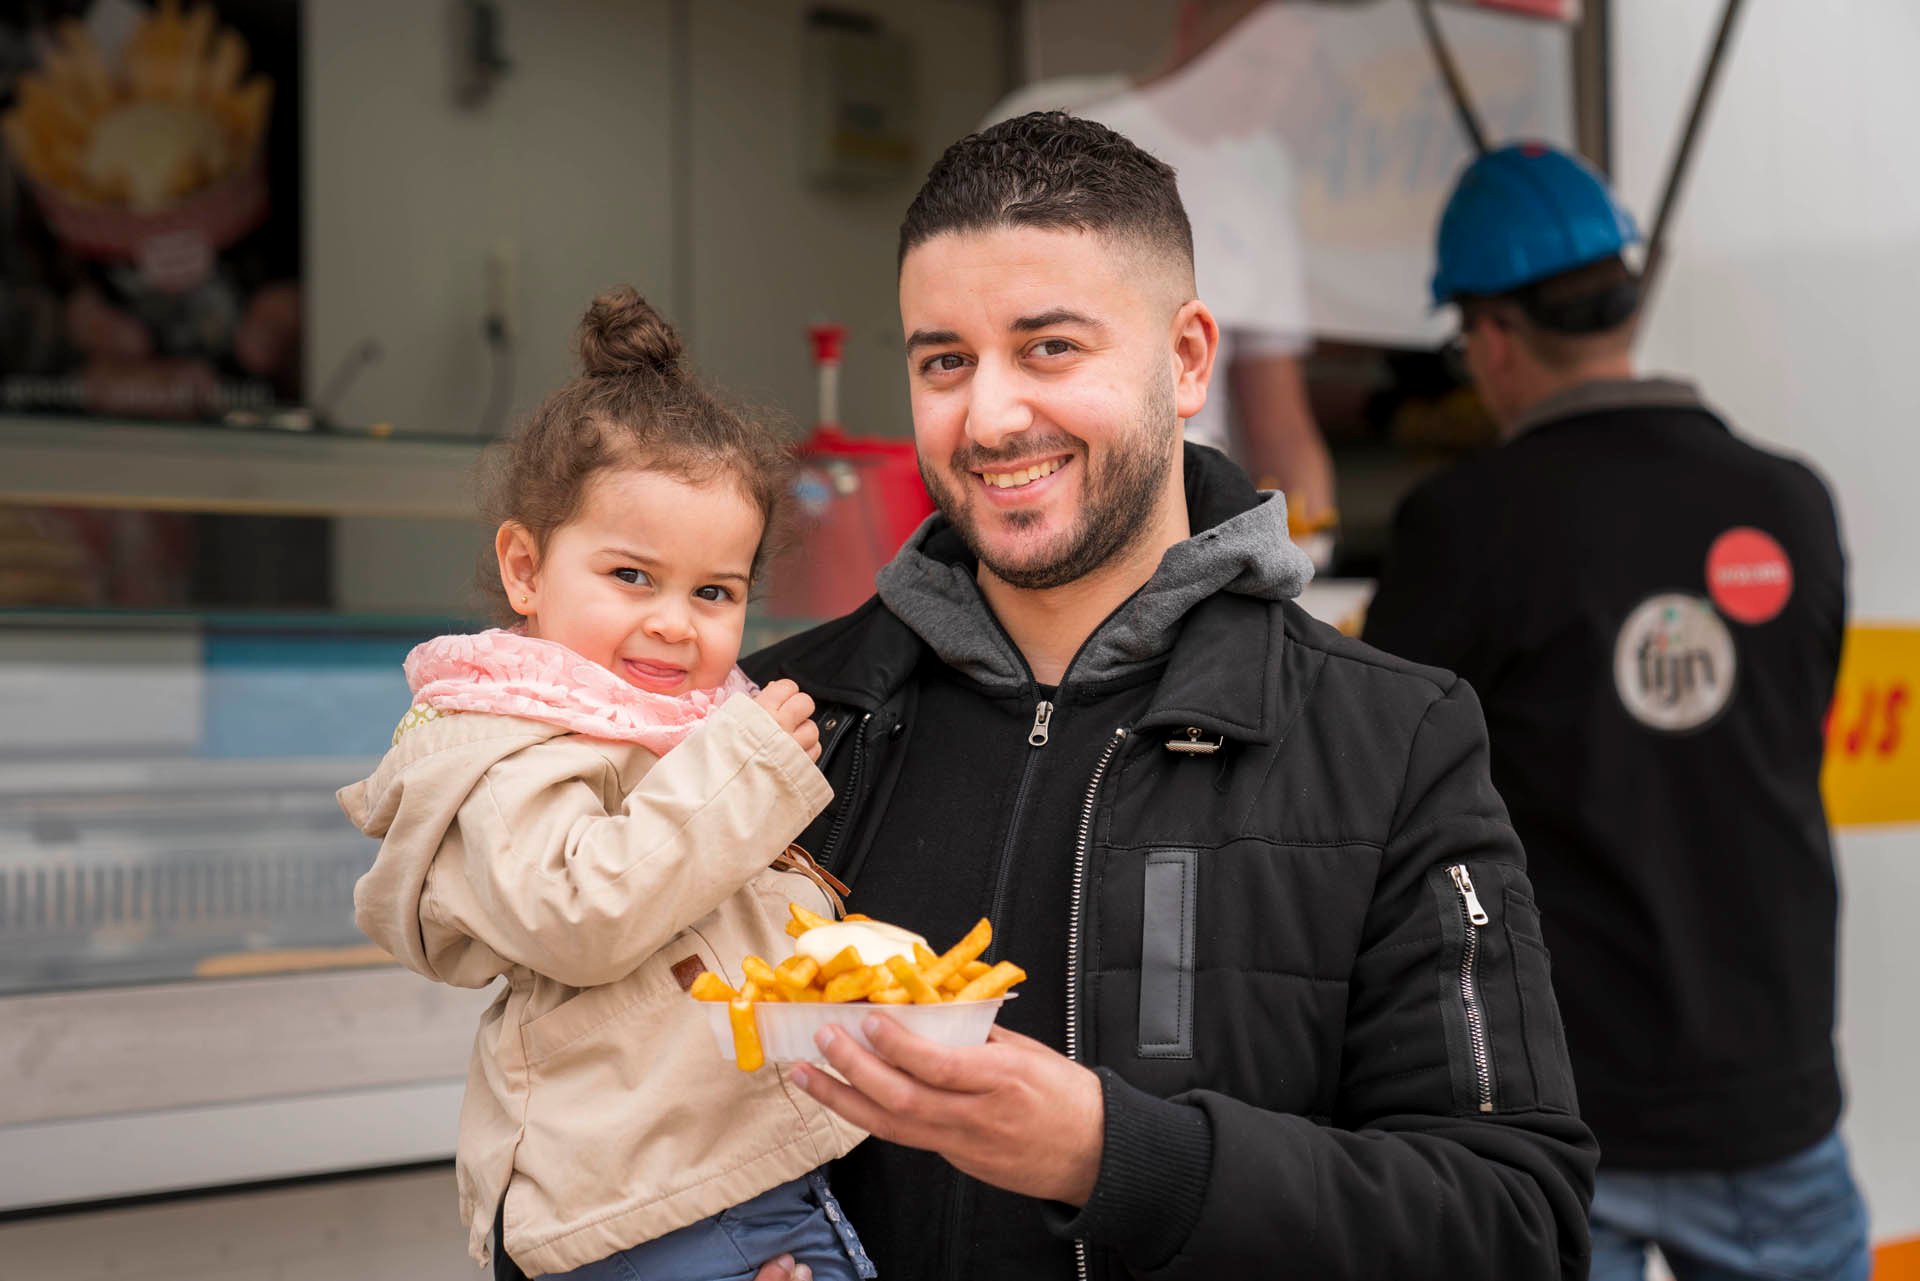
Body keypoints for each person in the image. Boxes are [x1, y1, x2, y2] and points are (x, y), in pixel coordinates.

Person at [744, 112, 1596, 1280]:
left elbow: (1514, 1223)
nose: (989, 417)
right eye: (945, 360)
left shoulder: (1395, 739)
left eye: (1049, 347)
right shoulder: (774, 724)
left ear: (1189, 360)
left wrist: (1118, 1158)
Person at [1363, 143, 1870, 1281]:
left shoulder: (1469, 522)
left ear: (1490, 335)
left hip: (1553, 1108)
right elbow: (1794, 729)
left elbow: (1377, 780)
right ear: (1621, 301)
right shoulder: (1791, 501)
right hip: (1766, 1093)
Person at [338, 289, 872, 1281]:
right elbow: (581, 912)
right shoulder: (499, 743)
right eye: (632, 575)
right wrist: (747, 772)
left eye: (714, 591)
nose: (677, 621)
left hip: (725, 1181)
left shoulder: (687, 726)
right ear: (525, 569)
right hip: (638, 1211)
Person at [980, 0, 1338, 563]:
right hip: (1053, 472)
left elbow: (1277, 405)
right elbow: (982, 317)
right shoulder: (1061, 121)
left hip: (1192, 501)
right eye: (1256, 65)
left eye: (1294, 74)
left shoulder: (1260, 171)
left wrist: (1313, 548)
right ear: (1193, 22)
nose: (1271, 94)